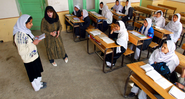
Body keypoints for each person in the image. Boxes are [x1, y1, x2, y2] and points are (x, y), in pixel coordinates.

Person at [13, 14, 46, 91]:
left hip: (34, 55)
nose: (32, 24)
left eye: (31, 22)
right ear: (23, 23)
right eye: (30, 23)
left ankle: (39, 83)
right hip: (29, 59)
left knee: (37, 71)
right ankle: (36, 87)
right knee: (33, 73)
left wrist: (35, 38)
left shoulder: (26, 31)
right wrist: (33, 44)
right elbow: (22, 51)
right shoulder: (19, 35)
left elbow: (29, 40)